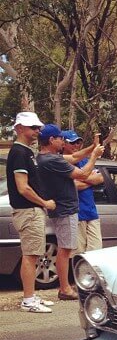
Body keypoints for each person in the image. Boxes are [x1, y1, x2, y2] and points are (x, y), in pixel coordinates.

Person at [36, 124, 104, 300]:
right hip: (65, 210)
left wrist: (92, 147)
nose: (63, 141)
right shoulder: (52, 160)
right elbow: (82, 174)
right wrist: (94, 156)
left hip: (67, 209)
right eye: (60, 138)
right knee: (66, 250)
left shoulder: (48, 157)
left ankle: (66, 287)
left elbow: (75, 156)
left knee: (66, 249)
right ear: (52, 140)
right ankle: (65, 288)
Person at [6, 112, 57, 313]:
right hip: (28, 211)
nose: (37, 131)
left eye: (38, 127)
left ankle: (32, 295)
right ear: (19, 128)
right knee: (30, 255)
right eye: (32, 127)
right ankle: (28, 300)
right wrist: (44, 202)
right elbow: (23, 188)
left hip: (31, 211)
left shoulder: (25, 152)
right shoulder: (19, 153)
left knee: (34, 254)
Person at [61, 130, 105, 253]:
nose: (76, 145)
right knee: (79, 253)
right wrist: (87, 179)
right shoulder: (62, 162)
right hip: (76, 214)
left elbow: (100, 178)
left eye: (79, 142)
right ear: (63, 144)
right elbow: (73, 186)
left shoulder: (85, 161)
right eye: (72, 143)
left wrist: (81, 178)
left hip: (91, 213)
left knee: (96, 251)